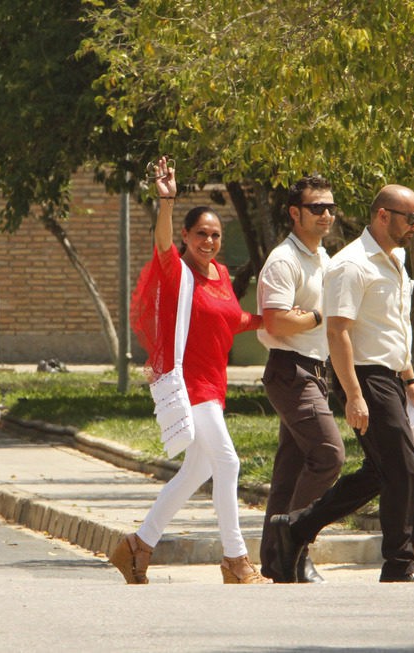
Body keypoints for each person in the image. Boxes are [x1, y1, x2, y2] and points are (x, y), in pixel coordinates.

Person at [109, 156, 267, 585]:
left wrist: (272, 320)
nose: (210, 241)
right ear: (186, 235)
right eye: (202, 234)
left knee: (197, 470)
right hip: (189, 382)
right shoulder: (176, 271)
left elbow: (232, 320)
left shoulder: (220, 273)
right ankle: (236, 561)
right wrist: (167, 201)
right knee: (229, 462)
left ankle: (138, 546)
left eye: (216, 235)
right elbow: (161, 244)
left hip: (215, 383)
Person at [270, 184, 414, 583]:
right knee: (405, 470)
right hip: (367, 378)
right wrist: (354, 395)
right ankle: (400, 563)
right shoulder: (351, 264)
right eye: (410, 218)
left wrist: (410, 378)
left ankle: (295, 528)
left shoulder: (396, 259)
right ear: (382, 216)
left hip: (392, 376)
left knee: (380, 473)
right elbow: (338, 331)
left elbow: (394, 326)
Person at [256, 175, 344, 583]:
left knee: (290, 470)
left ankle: (277, 561)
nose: (326, 214)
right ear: (295, 213)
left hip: (313, 368)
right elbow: (276, 320)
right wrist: (321, 315)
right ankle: (298, 543)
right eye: (316, 208)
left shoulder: (322, 259)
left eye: (329, 207)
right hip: (291, 369)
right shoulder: (284, 260)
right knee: (328, 455)